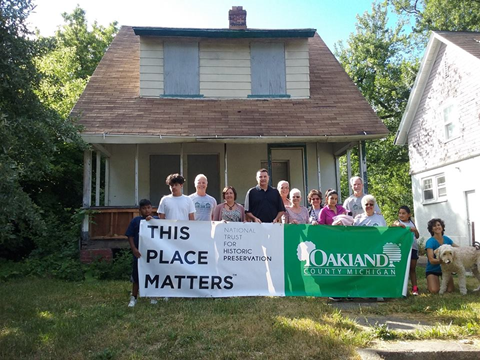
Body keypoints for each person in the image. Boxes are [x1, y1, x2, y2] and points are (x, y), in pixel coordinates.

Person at [353, 194, 387, 302]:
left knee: (376, 271)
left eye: (371, 204)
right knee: (364, 271)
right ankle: (364, 292)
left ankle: (378, 292)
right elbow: (352, 234)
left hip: (376, 249)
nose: (369, 206)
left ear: (374, 205)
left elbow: (385, 232)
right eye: (366, 204)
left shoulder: (380, 218)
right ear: (363, 206)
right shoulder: (358, 219)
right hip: (362, 250)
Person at [126, 199, 157, 307]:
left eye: (148, 208)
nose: (146, 210)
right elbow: (130, 235)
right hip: (140, 254)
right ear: (140, 210)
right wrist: (134, 249)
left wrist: (153, 221)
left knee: (153, 275)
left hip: (153, 254)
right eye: (144, 208)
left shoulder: (156, 220)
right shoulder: (135, 221)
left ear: (152, 209)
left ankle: (153, 296)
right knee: (137, 276)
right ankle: (134, 297)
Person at [393, 206, 420, 296]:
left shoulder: (412, 223)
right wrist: (398, 225)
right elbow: (393, 225)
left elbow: (417, 236)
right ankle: (398, 288)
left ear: (409, 215)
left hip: (413, 248)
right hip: (401, 249)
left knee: (412, 268)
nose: (401, 215)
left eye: (403, 213)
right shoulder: (398, 222)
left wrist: (415, 230)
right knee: (401, 269)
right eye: (400, 213)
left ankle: (415, 288)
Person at [425, 218, 457, 294]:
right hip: (433, 270)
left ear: (442, 227)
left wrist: (471, 248)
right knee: (434, 290)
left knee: (450, 290)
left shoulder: (447, 239)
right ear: (431, 229)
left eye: (439, 225)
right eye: (434, 226)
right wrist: (445, 260)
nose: (437, 227)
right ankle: (431, 282)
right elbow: (432, 260)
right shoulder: (430, 242)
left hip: (446, 269)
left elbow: (458, 249)